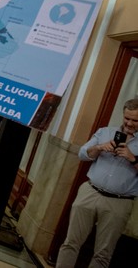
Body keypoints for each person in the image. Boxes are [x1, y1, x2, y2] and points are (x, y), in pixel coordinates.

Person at [56, 98, 138, 268]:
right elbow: (83, 153)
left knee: (103, 254)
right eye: (127, 118)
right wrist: (100, 148)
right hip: (90, 192)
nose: (129, 123)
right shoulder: (105, 132)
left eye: (135, 120)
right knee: (71, 242)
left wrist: (132, 158)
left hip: (119, 202)